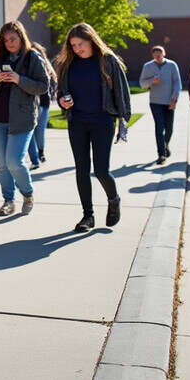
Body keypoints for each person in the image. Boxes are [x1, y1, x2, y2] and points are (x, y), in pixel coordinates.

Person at [55, 23, 130, 232]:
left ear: (91, 40)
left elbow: (122, 91)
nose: (77, 48)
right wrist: (62, 101)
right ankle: (88, 216)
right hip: (77, 121)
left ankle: (113, 199)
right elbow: (61, 91)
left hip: (103, 121)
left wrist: (123, 116)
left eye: (80, 44)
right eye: (73, 45)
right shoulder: (68, 64)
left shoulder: (107, 61)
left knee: (101, 170)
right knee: (81, 169)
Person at [0, 21, 49, 216]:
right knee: (1, 164)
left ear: (21, 37)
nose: (9, 43)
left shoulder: (31, 57)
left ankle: (28, 194)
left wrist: (19, 79)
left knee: (14, 162)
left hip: (22, 118)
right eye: (5, 40)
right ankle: (8, 201)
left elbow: (43, 86)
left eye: (13, 39)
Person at [139, 45, 182, 164]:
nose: (158, 56)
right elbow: (142, 84)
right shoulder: (147, 67)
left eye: (160, 54)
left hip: (169, 101)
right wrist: (152, 81)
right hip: (155, 102)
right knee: (159, 126)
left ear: (164, 54)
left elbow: (177, 82)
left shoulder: (172, 65)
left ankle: (166, 144)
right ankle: (161, 154)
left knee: (169, 128)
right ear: (152, 55)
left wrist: (175, 98)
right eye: (155, 54)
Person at [27, 42, 56, 169]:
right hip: (37, 102)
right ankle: (38, 154)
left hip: (42, 102)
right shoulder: (34, 65)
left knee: (38, 130)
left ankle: (40, 152)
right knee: (35, 130)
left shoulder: (43, 65)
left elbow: (52, 84)